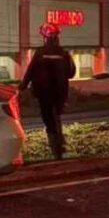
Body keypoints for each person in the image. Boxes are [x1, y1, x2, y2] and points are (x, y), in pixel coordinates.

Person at [20, 23, 76, 159]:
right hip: (60, 92)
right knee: (57, 116)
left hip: (43, 93)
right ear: (57, 37)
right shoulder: (64, 53)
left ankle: (55, 148)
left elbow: (30, 72)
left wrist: (22, 87)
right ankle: (60, 145)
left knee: (48, 119)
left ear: (45, 37)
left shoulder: (39, 53)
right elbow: (71, 73)